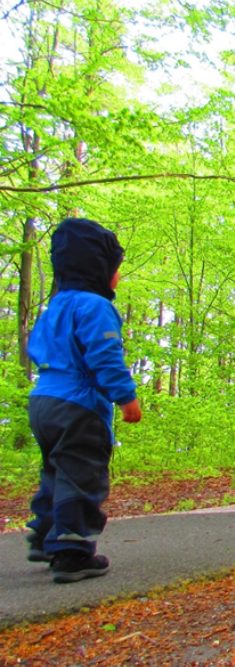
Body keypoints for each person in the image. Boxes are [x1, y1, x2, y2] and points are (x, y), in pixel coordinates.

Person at [25, 217, 143, 584]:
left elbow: (37, 349)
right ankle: (72, 552)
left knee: (56, 472)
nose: (118, 277)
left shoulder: (57, 305)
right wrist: (125, 398)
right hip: (78, 405)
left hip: (43, 401)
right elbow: (104, 355)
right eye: (116, 269)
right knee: (82, 473)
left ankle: (46, 536)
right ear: (99, 269)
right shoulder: (94, 306)